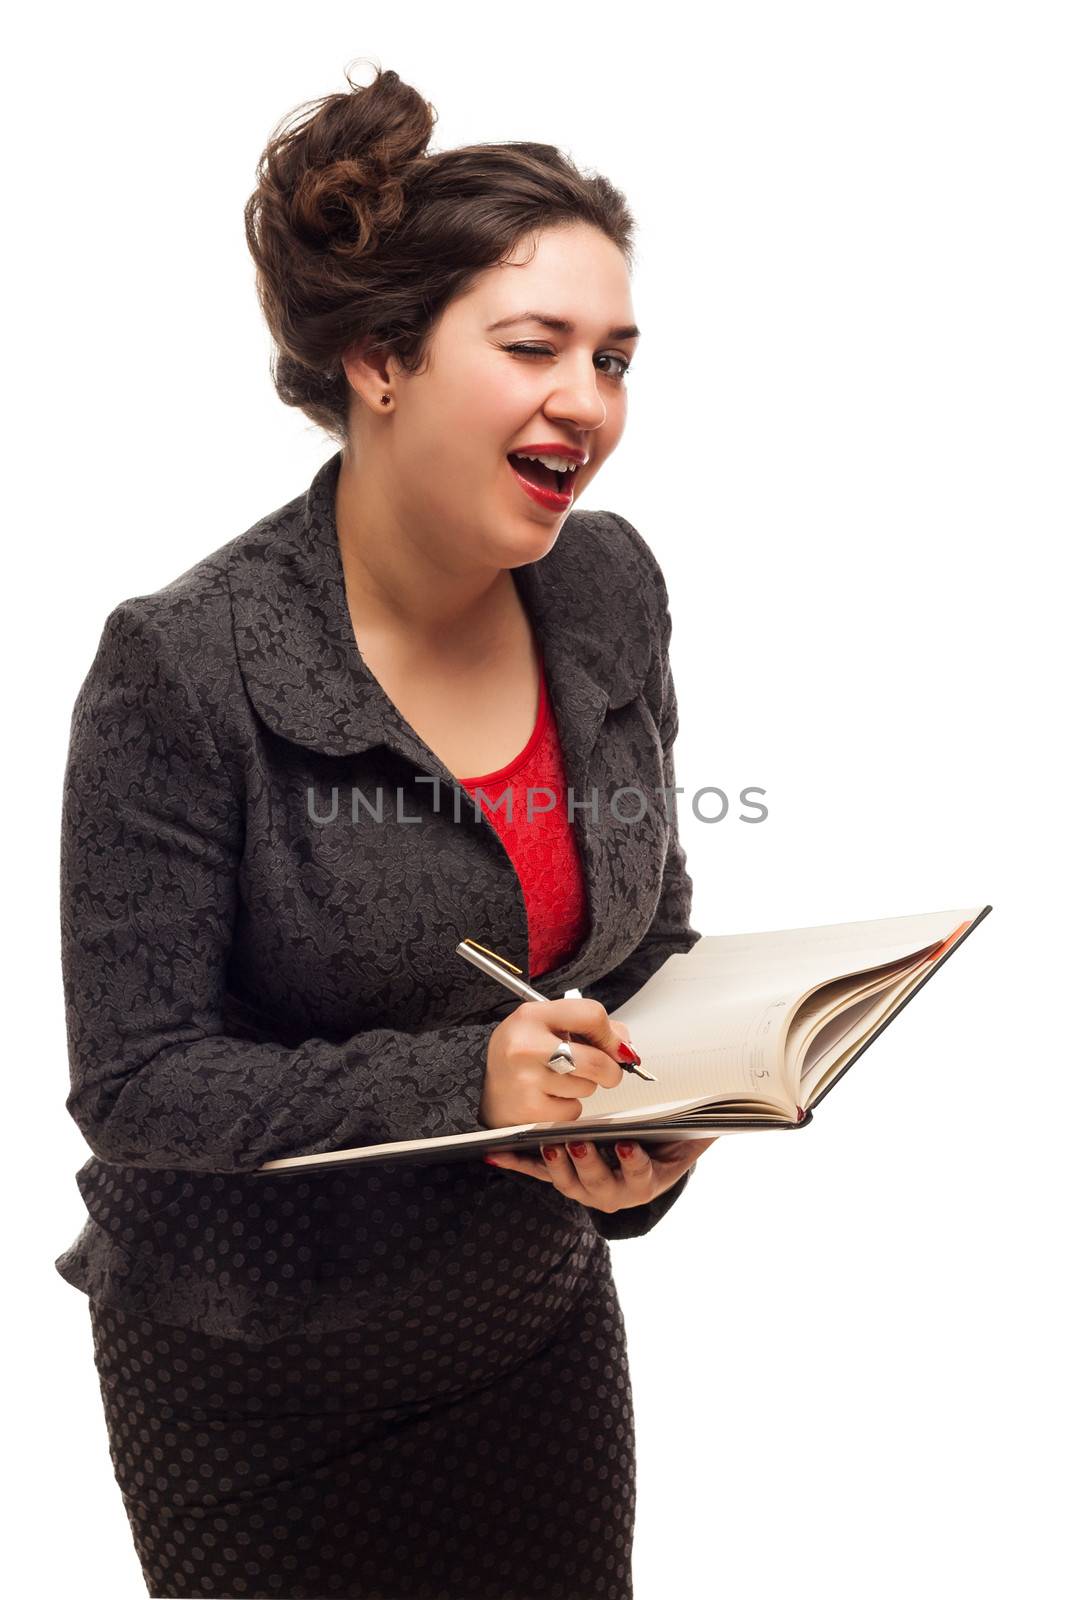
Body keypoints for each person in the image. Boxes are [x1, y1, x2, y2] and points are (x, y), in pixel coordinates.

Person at [56, 60, 716, 1600]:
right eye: (535, 346)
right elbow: (138, 1082)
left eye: (614, 356)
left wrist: (656, 1131)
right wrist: (467, 1078)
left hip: (527, 1334)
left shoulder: (607, 589)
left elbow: (650, 941)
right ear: (379, 358)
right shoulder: (184, 665)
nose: (589, 401)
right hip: (255, 1388)